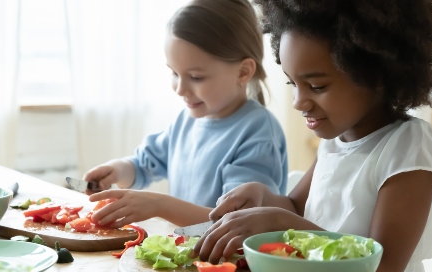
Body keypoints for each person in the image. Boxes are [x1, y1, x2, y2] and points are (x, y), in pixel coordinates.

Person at [193, 0, 432, 272]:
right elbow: (294, 207)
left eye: (317, 86)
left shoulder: (408, 145)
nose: (298, 102)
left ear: (376, 75)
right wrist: (263, 197)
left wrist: (280, 223)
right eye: (293, 84)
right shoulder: (335, 140)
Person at [84, 0, 288, 229]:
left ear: (243, 72)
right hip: (185, 257)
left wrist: (159, 205)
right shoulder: (186, 120)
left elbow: (237, 224)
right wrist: (118, 169)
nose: (180, 89)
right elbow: (144, 165)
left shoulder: (257, 132)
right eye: (174, 73)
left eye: (196, 77)